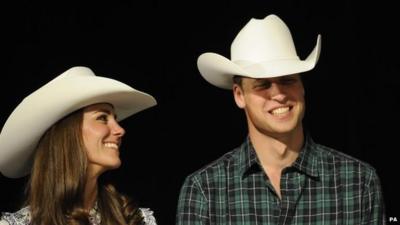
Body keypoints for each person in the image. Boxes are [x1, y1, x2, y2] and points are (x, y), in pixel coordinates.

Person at [176, 14, 386, 225]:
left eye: (288, 80)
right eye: (263, 85)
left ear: (302, 86)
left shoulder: (358, 182)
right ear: (239, 95)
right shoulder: (205, 191)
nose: (279, 94)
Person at [0, 66, 158, 225]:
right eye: (102, 118)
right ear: (68, 134)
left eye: (115, 119)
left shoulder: (135, 219)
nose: (120, 130)